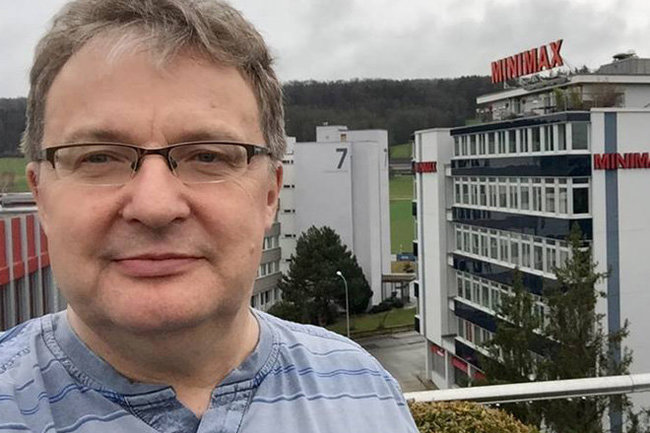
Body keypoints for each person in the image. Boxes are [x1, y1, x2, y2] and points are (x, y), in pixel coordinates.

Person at [0, 1, 418, 432]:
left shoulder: (365, 392)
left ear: (270, 194)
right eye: (98, 157)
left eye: (207, 156)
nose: (155, 206)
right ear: (41, 195)